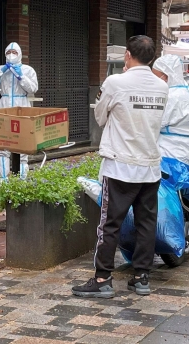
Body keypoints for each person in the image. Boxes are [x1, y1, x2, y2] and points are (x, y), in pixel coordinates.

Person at [73, 35, 167, 299]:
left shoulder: (115, 82)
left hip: (120, 167)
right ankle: (141, 278)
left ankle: (103, 278)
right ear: (152, 58)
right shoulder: (162, 87)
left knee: (109, 224)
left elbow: (100, 116)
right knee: (146, 223)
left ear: (127, 55)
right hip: (150, 166)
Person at [0, 42, 39, 179]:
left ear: (19, 54)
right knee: (2, 144)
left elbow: (33, 89)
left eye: (14, 52)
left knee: (23, 144)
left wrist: (21, 77)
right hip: (4, 106)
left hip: (22, 105)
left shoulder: (28, 70)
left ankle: (22, 178)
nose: (11, 55)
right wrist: (1, 71)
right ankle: (4, 178)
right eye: (8, 53)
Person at [152, 54, 189, 171]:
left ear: (166, 76)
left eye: (155, 76)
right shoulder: (184, 90)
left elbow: (154, 123)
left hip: (174, 155)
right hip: (187, 153)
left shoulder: (172, 96)